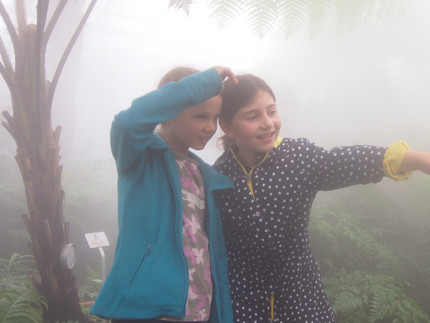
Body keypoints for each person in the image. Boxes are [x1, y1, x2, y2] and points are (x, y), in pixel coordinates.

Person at [213, 74, 430, 322]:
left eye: (272, 111)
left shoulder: (297, 158)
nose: (268, 123)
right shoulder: (217, 178)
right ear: (227, 127)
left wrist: (419, 159)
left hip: (302, 302)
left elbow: (349, 161)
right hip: (243, 306)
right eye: (253, 116)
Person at [90, 66, 238, 323]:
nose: (210, 127)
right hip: (147, 310)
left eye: (215, 118)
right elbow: (129, 121)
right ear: (168, 112)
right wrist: (207, 81)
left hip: (198, 310)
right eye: (200, 116)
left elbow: (214, 255)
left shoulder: (204, 175)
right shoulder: (140, 159)